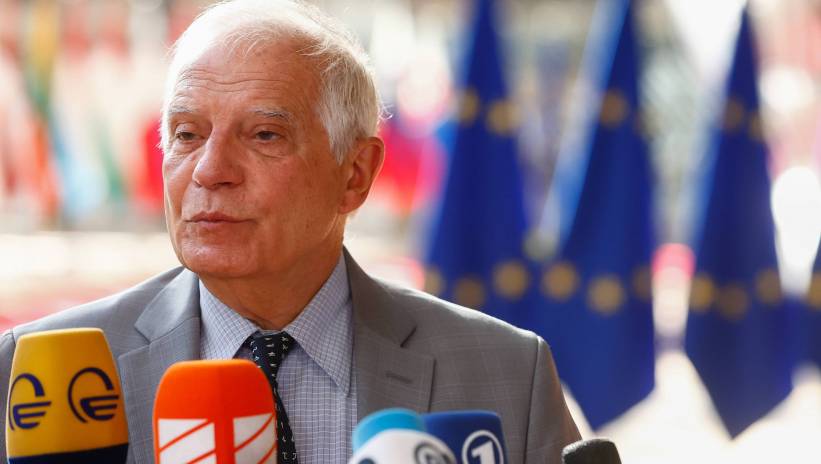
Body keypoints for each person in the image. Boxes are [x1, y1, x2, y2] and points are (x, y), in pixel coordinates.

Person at [0, 1, 580, 462]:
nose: (209, 170)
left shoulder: (507, 374)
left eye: (263, 135)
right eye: (186, 134)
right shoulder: (36, 378)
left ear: (355, 174)